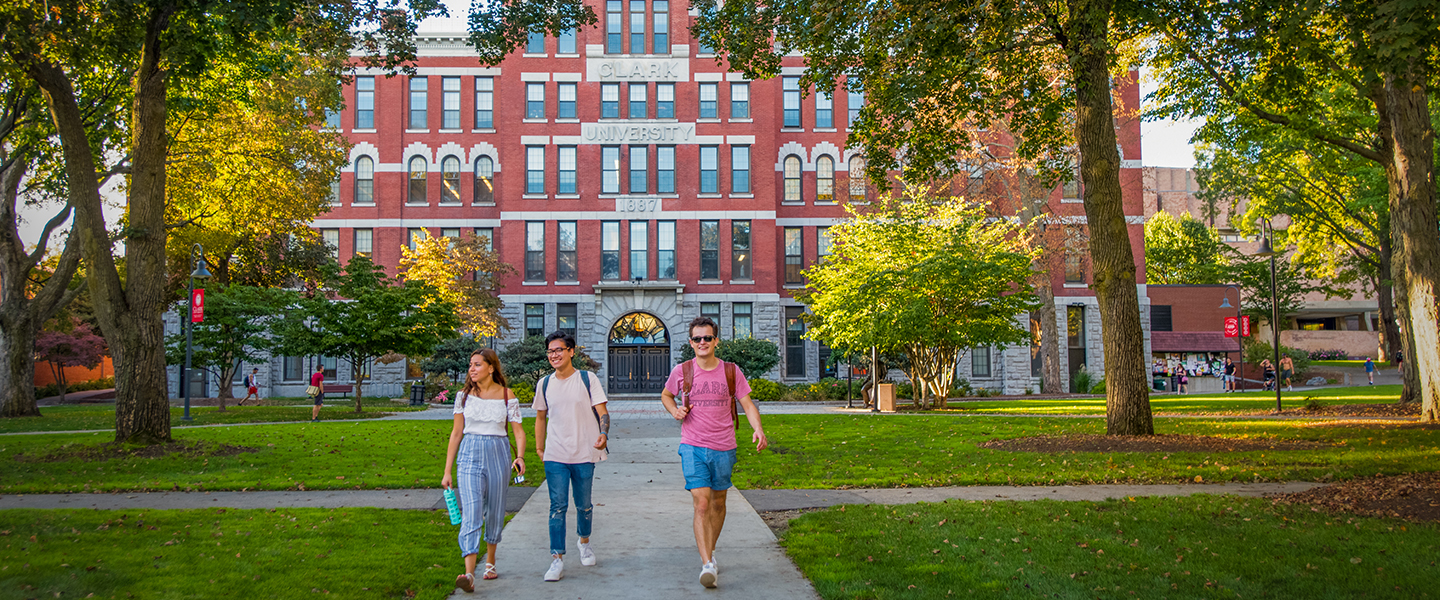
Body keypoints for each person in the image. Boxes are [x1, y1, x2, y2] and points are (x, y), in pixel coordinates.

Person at [659, 317, 768, 589]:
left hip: (724, 447)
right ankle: (707, 563)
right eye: (697, 339)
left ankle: (712, 549)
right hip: (692, 445)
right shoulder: (682, 371)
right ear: (691, 342)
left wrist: (758, 429)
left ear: (716, 341)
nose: (703, 342)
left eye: (707, 338)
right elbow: (665, 395)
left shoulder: (731, 371)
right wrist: (674, 410)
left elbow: (747, 403)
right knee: (702, 504)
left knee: (719, 503)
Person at [442, 348, 527, 593]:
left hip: (498, 451)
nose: (472, 369)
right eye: (471, 365)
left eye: (477, 364)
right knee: (472, 511)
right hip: (469, 453)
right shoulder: (463, 396)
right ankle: (468, 573)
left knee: (495, 509)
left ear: (491, 368)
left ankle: (490, 561)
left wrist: (520, 456)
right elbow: (456, 433)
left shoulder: (506, 395)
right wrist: (447, 471)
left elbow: (518, 432)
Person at [534, 331, 609, 582]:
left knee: (584, 504)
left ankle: (584, 542)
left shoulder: (588, 379)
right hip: (555, 454)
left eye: (559, 350)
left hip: (585, 452)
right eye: (550, 351)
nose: (554, 355)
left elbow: (602, 411)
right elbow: (540, 417)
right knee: (557, 506)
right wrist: (539, 448)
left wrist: (604, 433)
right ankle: (557, 558)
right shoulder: (544, 384)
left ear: (571, 351)